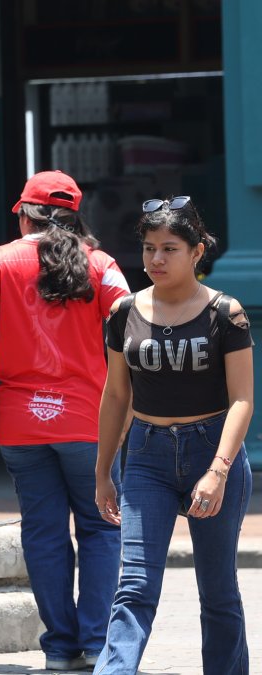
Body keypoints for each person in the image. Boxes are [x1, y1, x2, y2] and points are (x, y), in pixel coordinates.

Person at [0, 170, 130, 671]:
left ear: (24, 215)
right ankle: (97, 644)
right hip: (87, 421)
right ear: (75, 215)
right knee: (100, 529)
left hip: (22, 423)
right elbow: (131, 321)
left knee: (44, 531)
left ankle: (59, 649)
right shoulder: (101, 264)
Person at [94, 196, 253, 673]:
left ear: (197, 251)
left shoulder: (226, 313)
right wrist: (103, 472)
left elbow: (243, 398)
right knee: (135, 585)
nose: (155, 260)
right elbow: (116, 396)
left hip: (212, 449)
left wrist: (219, 471)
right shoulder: (123, 312)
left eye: (169, 248)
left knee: (218, 588)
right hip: (145, 455)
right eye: (147, 249)